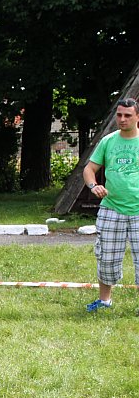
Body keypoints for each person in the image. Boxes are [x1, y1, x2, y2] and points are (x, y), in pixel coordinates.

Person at [82, 97, 139, 312]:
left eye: (127, 115)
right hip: (111, 208)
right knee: (106, 257)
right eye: (119, 115)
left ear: (137, 117)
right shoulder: (108, 141)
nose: (122, 119)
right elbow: (89, 169)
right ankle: (104, 301)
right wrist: (93, 185)